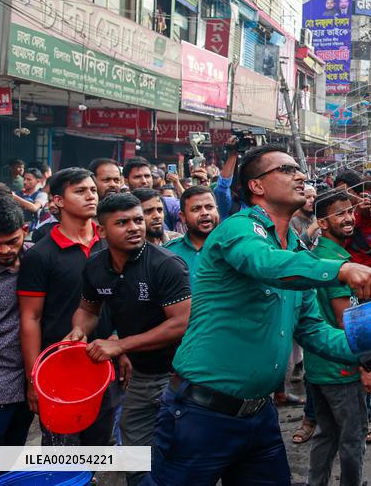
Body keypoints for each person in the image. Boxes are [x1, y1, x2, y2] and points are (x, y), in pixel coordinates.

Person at [145, 146, 371, 485]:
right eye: (288, 170)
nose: (301, 175)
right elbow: (264, 264)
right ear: (257, 186)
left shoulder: (294, 248)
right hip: (201, 416)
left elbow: (313, 331)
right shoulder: (239, 230)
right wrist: (342, 269)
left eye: (298, 169)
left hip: (259, 418)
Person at [68, 193, 191, 486]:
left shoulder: (166, 264)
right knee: (135, 450)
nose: (135, 227)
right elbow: (88, 309)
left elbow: (181, 324)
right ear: (101, 230)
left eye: (138, 219)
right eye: (122, 223)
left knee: (179, 450)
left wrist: (120, 345)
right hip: (140, 375)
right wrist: (78, 331)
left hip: (181, 374)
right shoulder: (96, 267)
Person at [17, 167, 120, 446]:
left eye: (92, 190)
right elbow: (30, 317)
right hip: (59, 369)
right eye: (80, 191)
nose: (91, 196)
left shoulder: (111, 245)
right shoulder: (41, 254)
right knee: (61, 452)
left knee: (98, 447)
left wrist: (123, 343)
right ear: (58, 201)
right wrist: (33, 378)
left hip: (105, 364)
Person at [305, 190, 371, 485]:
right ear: (322, 223)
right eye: (339, 214)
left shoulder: (318, 255)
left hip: (318, 366)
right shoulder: (336, 263)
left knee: (326, 435)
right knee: (352, 440)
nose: (349, 218)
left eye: (350, 212)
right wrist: (364, 368)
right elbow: (343, 321)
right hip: (341, 370)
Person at [0, 193, 34, 449]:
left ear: (24, 231)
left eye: (11, 241)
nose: (4, 250)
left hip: (28, 382)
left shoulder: (36, 260)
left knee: (13, 450)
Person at [164, 186, 220, 283]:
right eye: (196, 209)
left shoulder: (233, 248)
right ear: (183, 217)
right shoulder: (168, 253)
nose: (204, 213)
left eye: (209, 207)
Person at [124, 157, 180, 232]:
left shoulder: (167, 203)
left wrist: (177, 184)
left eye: (147, 176)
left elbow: (190, 209)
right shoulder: (121, 206)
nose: (144, 181)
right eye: (137, 177)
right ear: (126, 181)